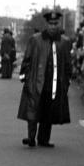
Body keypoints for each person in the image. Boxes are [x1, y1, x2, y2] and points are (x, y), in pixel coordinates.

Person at [17, 11, 72, 147]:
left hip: (54, 84)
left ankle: (44, 139)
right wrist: (24, 76)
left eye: (55, 24)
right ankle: (31, 138)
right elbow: (27, 59)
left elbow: (67, 64)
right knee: (33, 109)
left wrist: (66, 81)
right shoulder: (36, 39)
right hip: (36, 81)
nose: (53, 26)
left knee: (49, 111)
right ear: (47, 24)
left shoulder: (64, 42)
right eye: (51, 24)